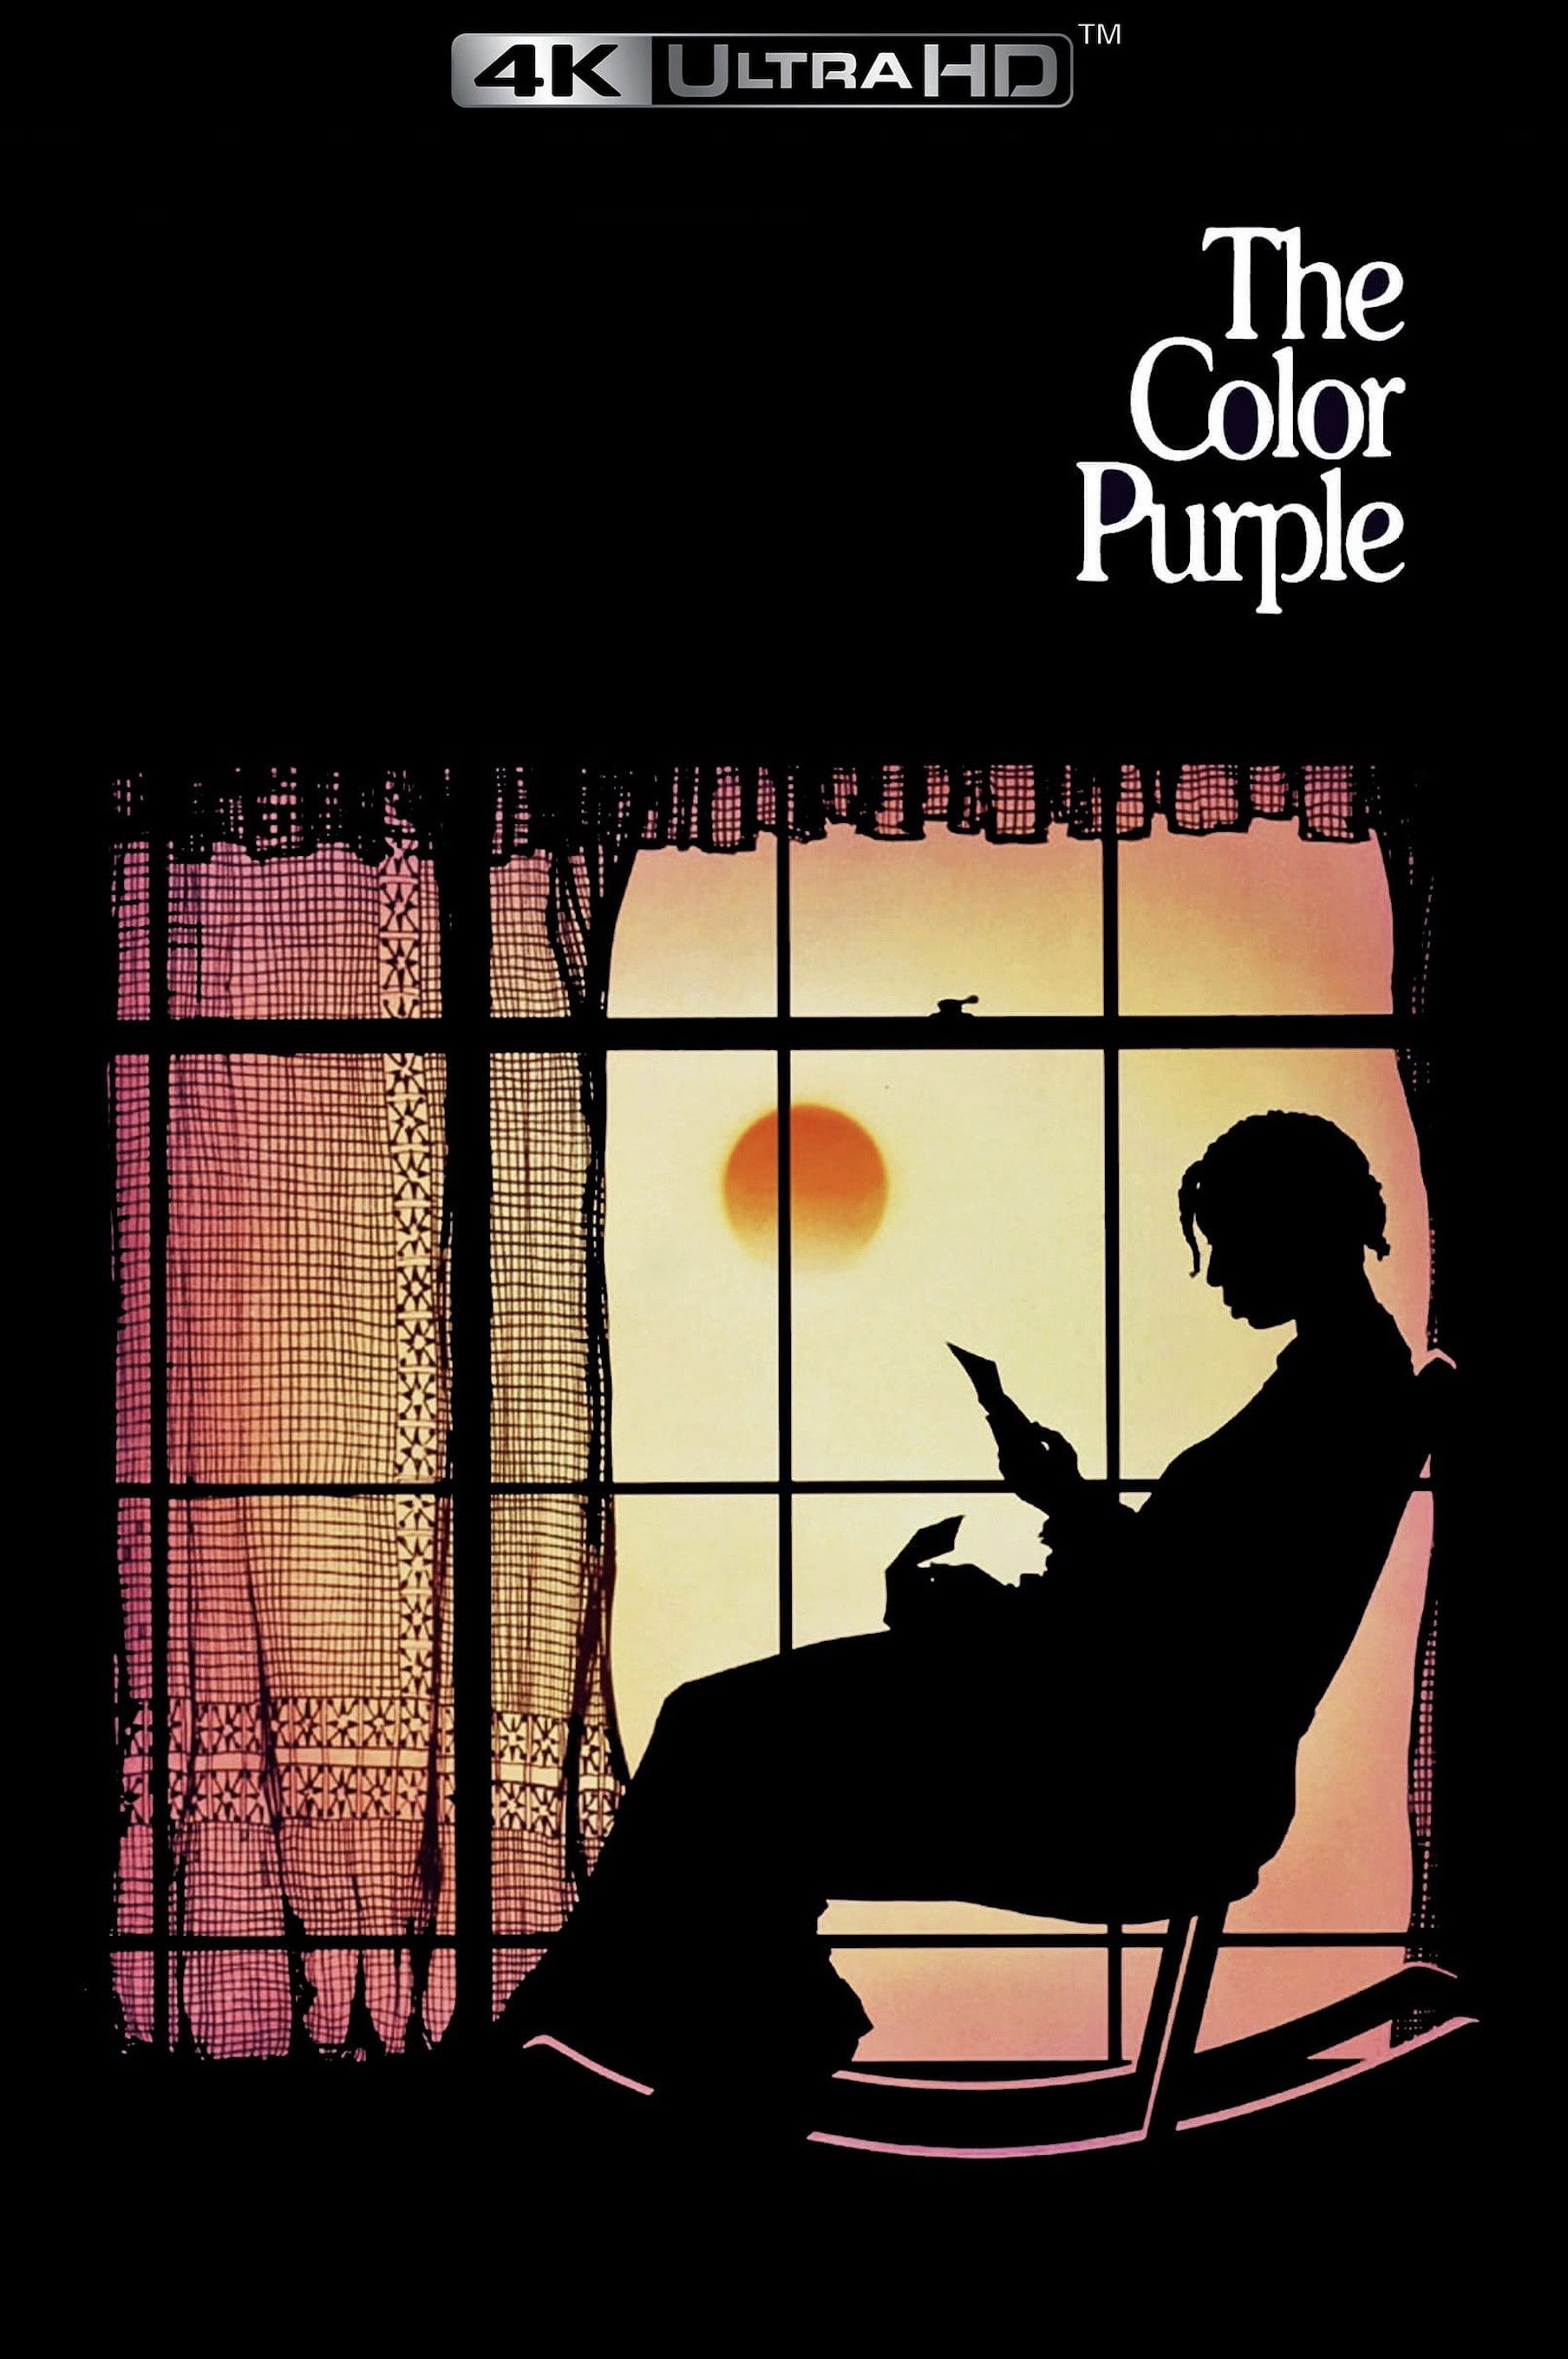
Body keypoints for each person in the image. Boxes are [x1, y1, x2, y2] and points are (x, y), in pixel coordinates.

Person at [493, 1111, 1426, 2114]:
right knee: (722, 1751)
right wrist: (1056, 1515)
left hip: (1132, 1785)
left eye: (1228, 1236)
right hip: (1127, 1745)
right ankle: (690, 2040)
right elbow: (1187, 1600)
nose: (1215, 1271)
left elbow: (1189, 1639)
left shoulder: (1335, 1399)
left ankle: (619, 2054)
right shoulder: (1339, 1384)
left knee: (720, 1749)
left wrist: (998, 1618)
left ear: (1292, 1224)